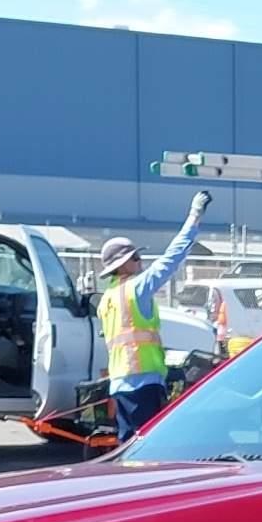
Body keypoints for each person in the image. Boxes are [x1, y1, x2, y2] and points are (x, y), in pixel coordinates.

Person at [95, 189, 213, 442]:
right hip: (143, 384)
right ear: (123, 264)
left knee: (128, 446)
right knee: (147, 450)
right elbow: (172, 258)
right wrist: (194, 217)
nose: (140, 261)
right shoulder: (136, 288)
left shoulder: (106, 299)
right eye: (135, 257)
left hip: (120, 384)